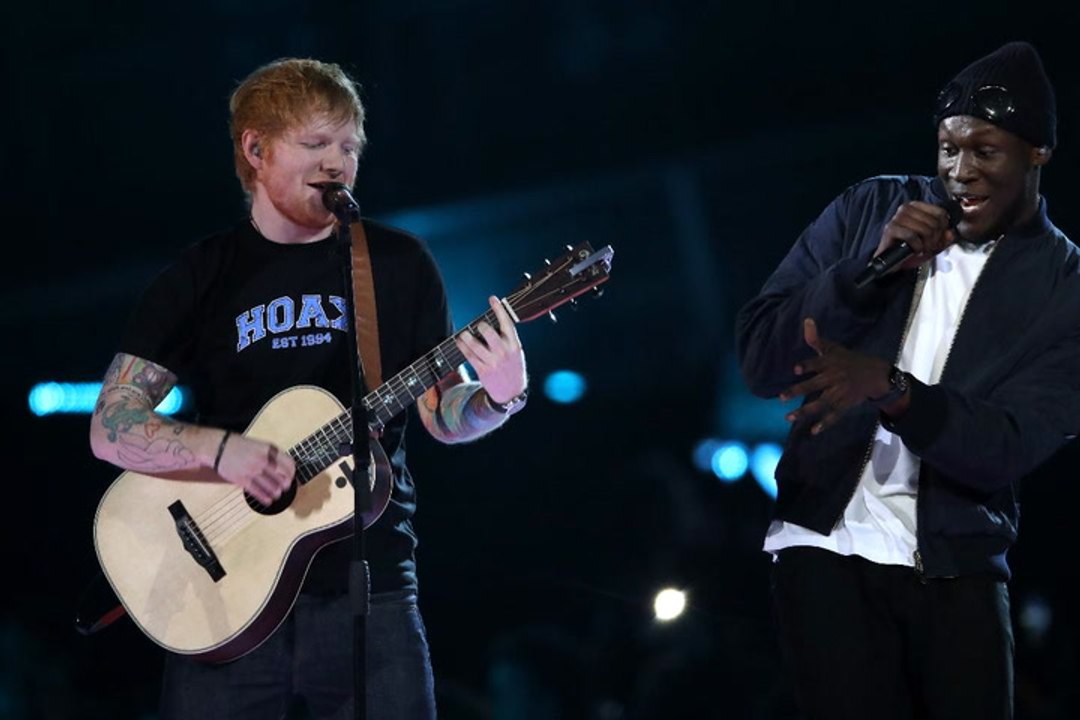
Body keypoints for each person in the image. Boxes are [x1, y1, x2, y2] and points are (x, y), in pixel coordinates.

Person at [89, 58, 529, 720]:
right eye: (316, 143)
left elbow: (443, 413)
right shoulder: (204, 273)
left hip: (373, 591)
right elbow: (110, 424)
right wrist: (222, 452)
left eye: (349, 145)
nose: (338, 162)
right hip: (224, 595)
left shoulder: (398, 264)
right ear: (257, 150)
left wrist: (498, 396)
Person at [735, 41, 1080, 719]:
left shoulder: (1064, 286)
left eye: (985, 152)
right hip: (822, 542)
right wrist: (863, 273)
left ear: (1038, 151)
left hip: (959, 564)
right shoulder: (871, 209)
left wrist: (894, 391)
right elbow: (760, 357)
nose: (960, 172)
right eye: (948, 149)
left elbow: (1008, 444)